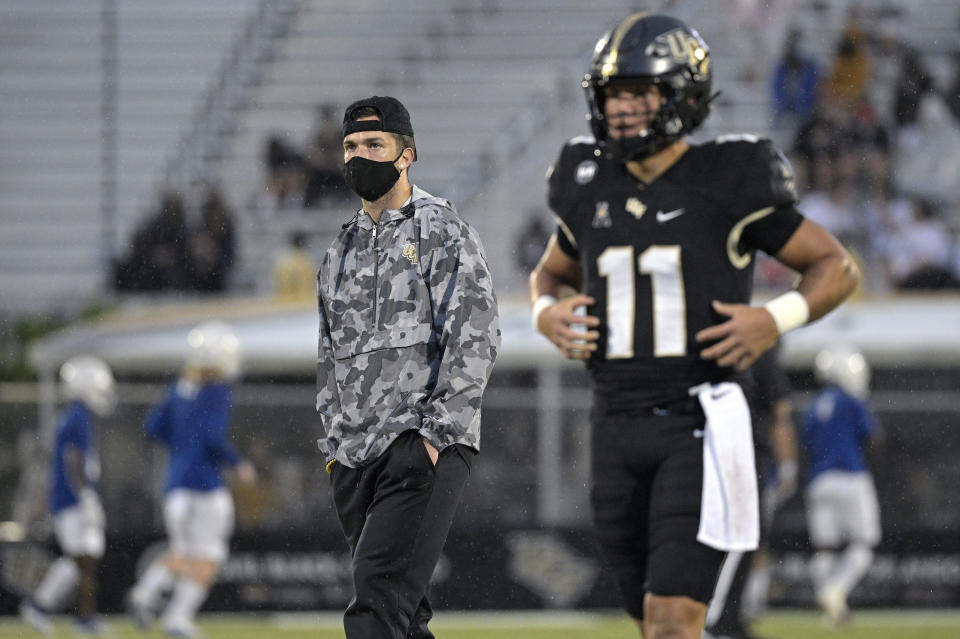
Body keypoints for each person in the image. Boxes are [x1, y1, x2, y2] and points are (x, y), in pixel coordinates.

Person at [529, 13, 860, 639]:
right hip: (613, 424)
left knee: (674, 622)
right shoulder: (585, 178)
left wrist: (775, 316)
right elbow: (548, 276)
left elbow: (835, 266)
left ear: (683, 93)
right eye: (613, 94)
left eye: (638, 92)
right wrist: (547, 312)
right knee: (648, 620)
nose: (622, 108)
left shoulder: (729, 178)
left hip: (700, 422)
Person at [316, 96, 500, 639]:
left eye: (374, 145)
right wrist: (335, 448)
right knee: (403, 618)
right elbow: (328, 358)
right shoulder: (339, 250)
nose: (359, 156)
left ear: (406, 155)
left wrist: (435, 437)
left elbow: (476, 335)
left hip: (420, 444)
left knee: (376, 607)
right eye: (350, 146)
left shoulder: (442, 229)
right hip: (354, 457)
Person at [127, 321, 256, 639]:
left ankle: (145, 593)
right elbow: (212, 436)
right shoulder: (217, 392)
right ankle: (177, 618)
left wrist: (183, 440)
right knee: (208, 557)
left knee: (183, 553)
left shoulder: (178, 388)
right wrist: (238, 463)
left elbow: (153, 427)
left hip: (175, 483)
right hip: (205, 485)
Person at [705, 345, 798, 639]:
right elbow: (779, 414)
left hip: (703, 451)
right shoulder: (760, 352)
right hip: (744, 457)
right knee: (741, 540)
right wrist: (787, 466)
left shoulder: (710, 347)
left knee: (727, 539)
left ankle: (727, 619)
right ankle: (716, 619)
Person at [20, 356, 116, 637]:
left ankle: (54, 610)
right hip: (73, 500)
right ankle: (55, 611)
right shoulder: (78, 416)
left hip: (68, 499)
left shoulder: (72, 416)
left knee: (81, 561)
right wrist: (85, 494)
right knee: (82, 561)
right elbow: (74, 459)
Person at [802, 343, 882, 627]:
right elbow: (873, 436)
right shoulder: (851, 401)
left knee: (825, 549)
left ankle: (832, 611)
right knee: (864, 544)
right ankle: (833, 592)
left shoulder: (813, 405)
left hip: (819, 480)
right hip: (851, 475)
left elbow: (807, 444)